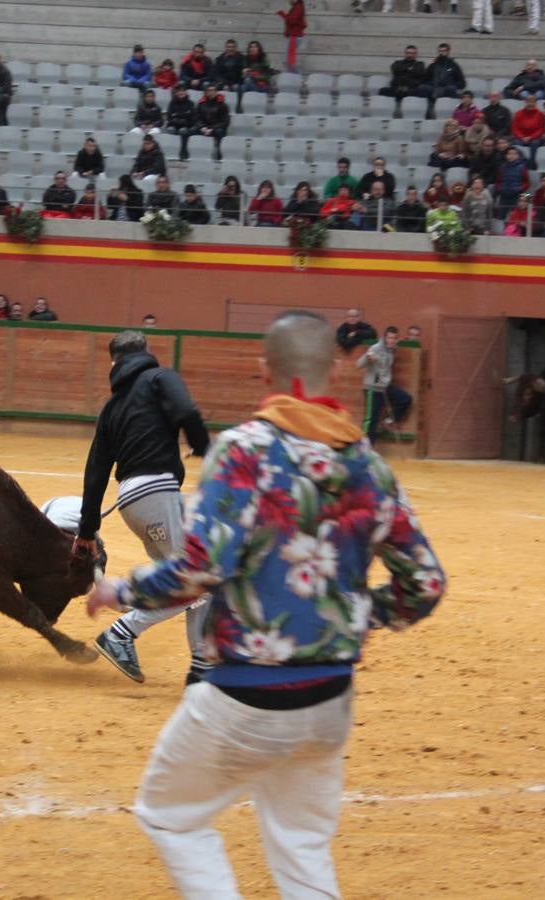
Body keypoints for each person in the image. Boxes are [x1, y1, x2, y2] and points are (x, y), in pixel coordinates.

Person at [86, 310, 445, 899]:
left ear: (263, 371)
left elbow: (201, 567)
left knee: (170, 815)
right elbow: (424, 583)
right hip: (330, 699)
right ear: (336, 368)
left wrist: (119, 591)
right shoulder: (368, 464)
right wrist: (360, 613)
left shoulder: (243, 451)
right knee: (302, 850)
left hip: (245, 696)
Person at [77, 329, 211, 685]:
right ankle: (122, 632)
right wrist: (203, 447)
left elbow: (96, 471)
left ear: (113, 362)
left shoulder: (111, 409)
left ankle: (202, 670)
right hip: (157, 492)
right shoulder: (159, 378)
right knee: (195, 579)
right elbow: (186, 410)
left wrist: (87, 530)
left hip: (133, 500)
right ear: (146, 351)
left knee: (199, 576)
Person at [357, 325, 414, 442]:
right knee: (371, 420)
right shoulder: (375, 348)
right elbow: (359, 364)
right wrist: (368, 358)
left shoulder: (392, 350)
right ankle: (366, 449)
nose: (391, 340)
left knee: (405, 399)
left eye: (394, 338)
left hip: (385, 387)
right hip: (373, 389)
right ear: (385, 337)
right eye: (389, 338)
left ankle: (389, 421)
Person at [276, 0, 306, 73]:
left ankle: (296, 77)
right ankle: (293, 76)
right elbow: (292, 19)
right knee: (289, 60)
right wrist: (283, 15)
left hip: (294, 35)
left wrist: (283, 14)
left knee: (290, 60)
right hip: (294, 35)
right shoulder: (297, 7)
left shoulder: (298, 7)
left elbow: (293, 20)